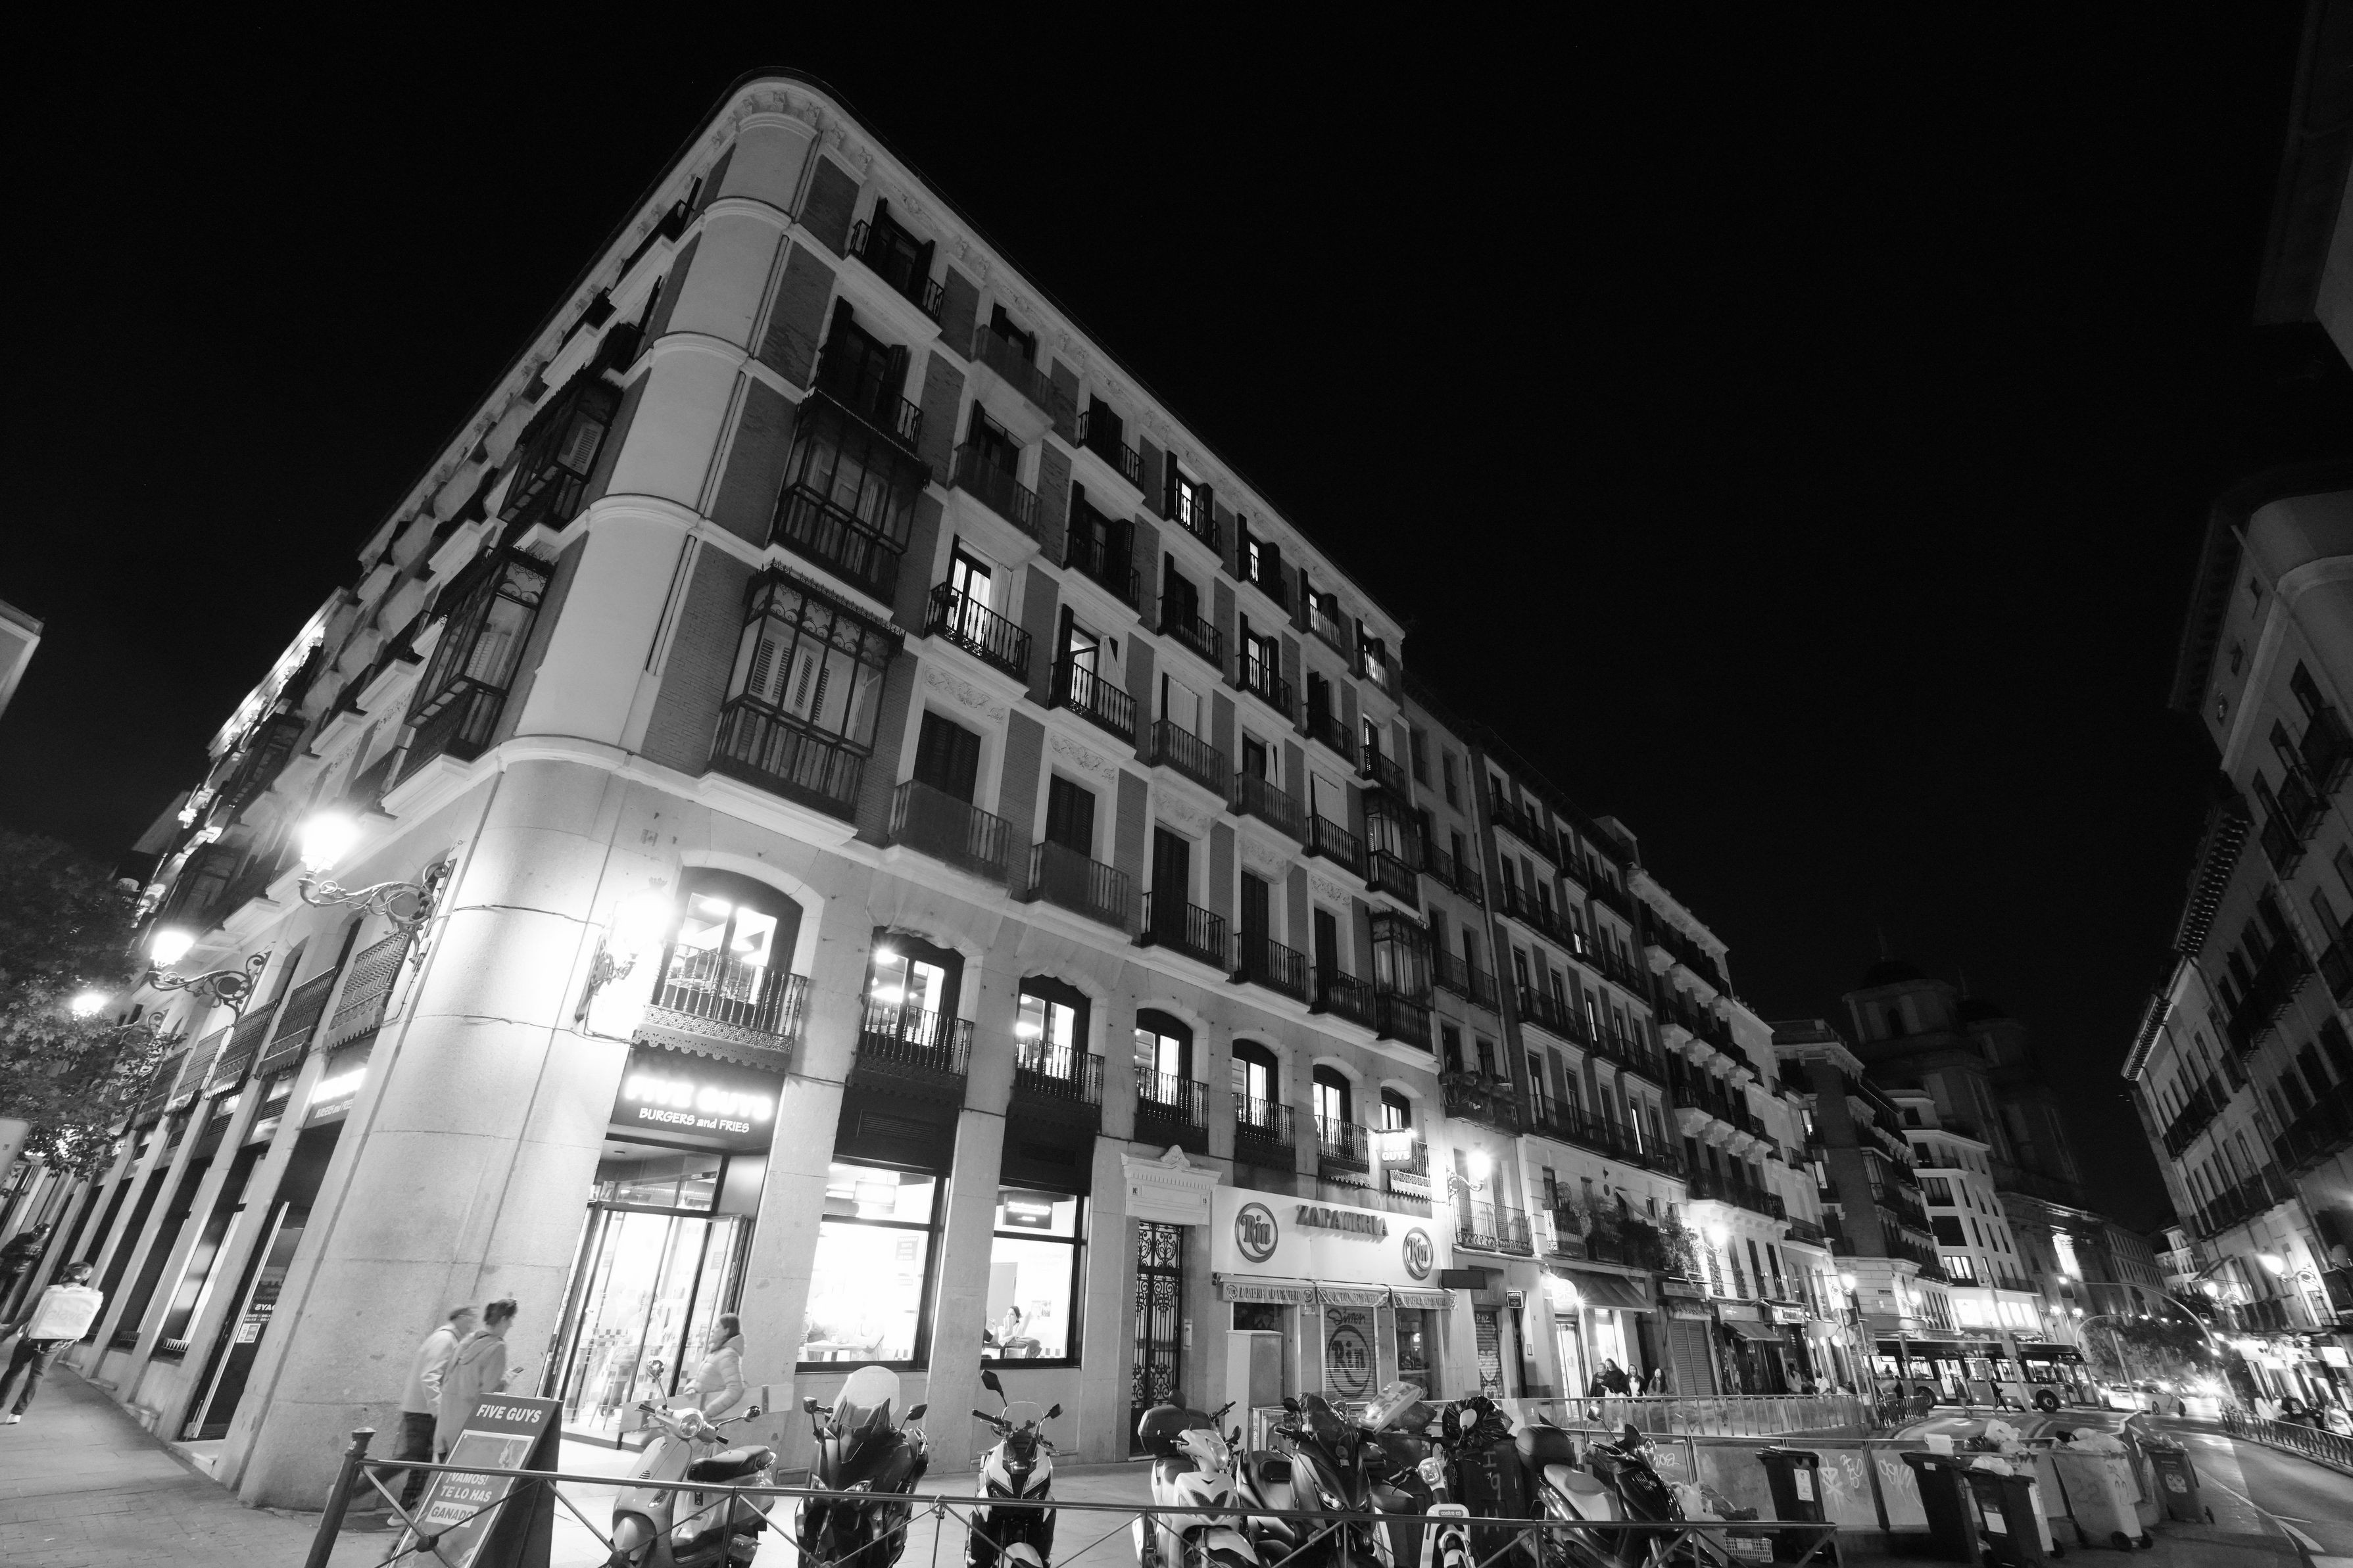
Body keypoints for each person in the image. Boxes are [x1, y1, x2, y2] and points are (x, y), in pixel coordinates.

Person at [367, 1306, 475, 1514]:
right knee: (416, 1458)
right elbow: (430, 1376)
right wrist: (439, 1409)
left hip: (422, 1408)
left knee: (421, 1460)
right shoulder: (445, 1339)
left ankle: (407, 1507)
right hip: (424, 1411)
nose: (474, 1323)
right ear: (461, 1318)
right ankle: (354, 1489)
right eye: (472, 1318)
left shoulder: (446, 1338)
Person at [0, 1261, 104, 1423]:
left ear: (67, 1274)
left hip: (31, 1339)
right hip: (55, 1344)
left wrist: (6, 1333)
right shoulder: (90, 1295)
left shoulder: (51, 1291)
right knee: (37, 1376)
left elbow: (26, 1315)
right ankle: (17, 1414)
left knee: (13, 1372)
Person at [435, 1299, 518, 1458]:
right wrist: (506, 1382)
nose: (511, 1325)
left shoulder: (467, 1340)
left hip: (445, 1426)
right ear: (503, 1319)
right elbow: (490, 1395)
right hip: (468, 1430)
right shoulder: (497, 1347)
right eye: (511, 1320)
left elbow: (447, 1377)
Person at [687, 1314, 747, 1418]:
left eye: (717, 1326)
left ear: (726, 1331)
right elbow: (699, 1378)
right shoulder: (716, 1353)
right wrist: (692, 1388)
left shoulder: (728, 1355)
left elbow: (735, 1390)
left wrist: (708, 1413)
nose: (712, 1330)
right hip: (698, 1414)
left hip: (710, 1418)